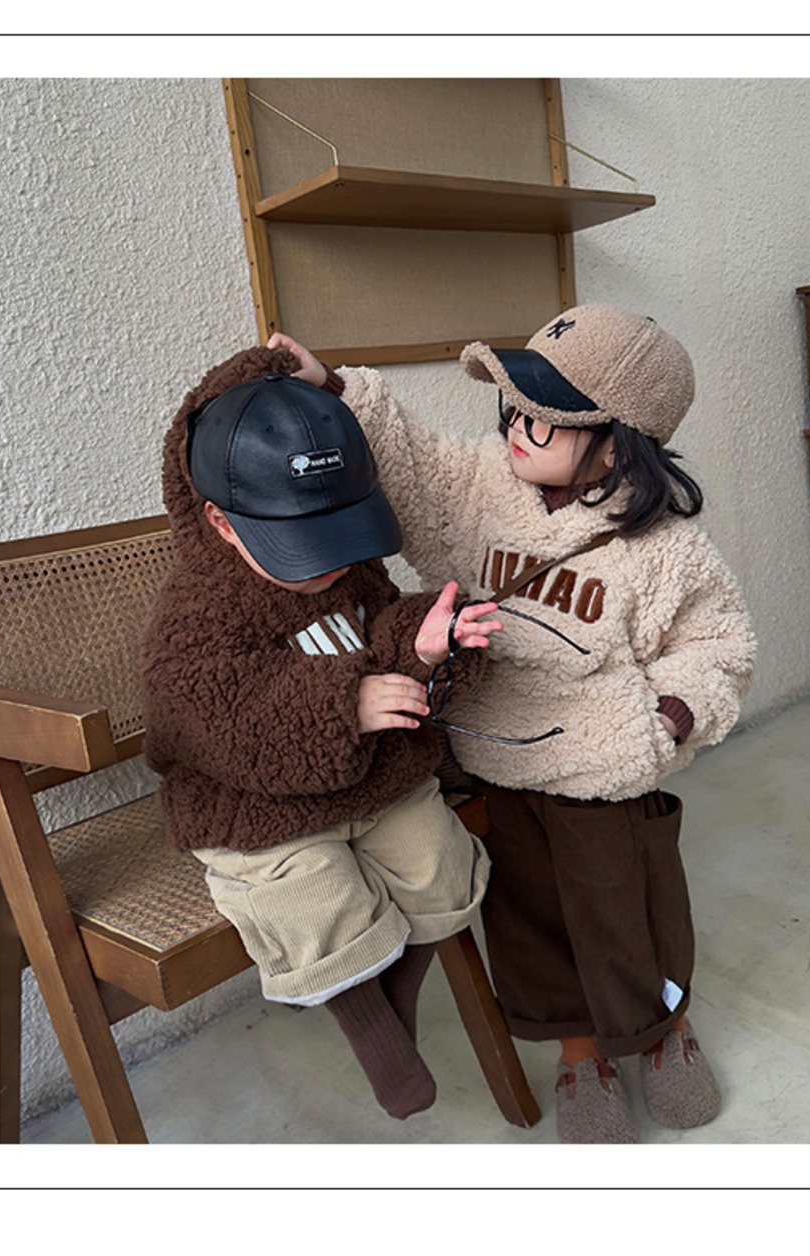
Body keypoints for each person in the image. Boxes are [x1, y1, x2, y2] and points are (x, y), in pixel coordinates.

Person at [269, 305, 757, 1142]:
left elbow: (718, 642)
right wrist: (338, 391)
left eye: (546, 418)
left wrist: (669, 716)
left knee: (628, 911)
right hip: (494, 754)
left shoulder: (664, 545)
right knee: (528, 919)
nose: (518, 431)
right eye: (514, 409)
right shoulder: (482, 488)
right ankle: (579, 1054)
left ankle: (661, 1031)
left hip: (601, 764)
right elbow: (412, 462)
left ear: (618, 442)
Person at [140, 346, 501, 1122]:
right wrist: (342, 704)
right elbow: (208, 713)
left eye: (341, 541)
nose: (330, 568)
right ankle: (371, 1026)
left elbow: (383, 630)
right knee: (311, 900)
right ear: (221, 522)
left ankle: (395, 996)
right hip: (255, 806)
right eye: (303, 552)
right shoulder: (196, 610)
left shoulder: (350, 570)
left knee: (438, 860)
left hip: (373, 780)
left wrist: (422, 646)